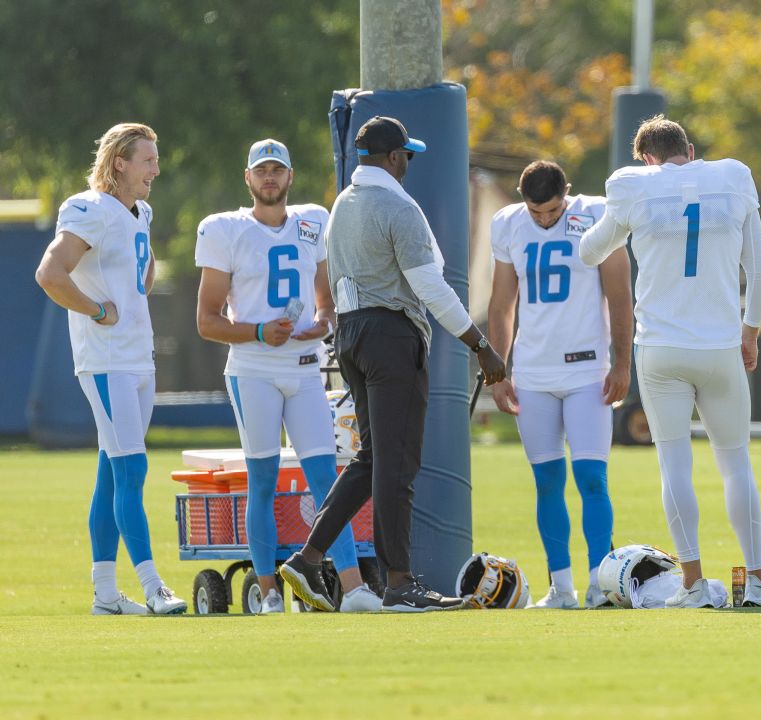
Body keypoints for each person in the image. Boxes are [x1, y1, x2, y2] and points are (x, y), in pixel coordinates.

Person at [277, 116, 506, 612]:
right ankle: (399, 582)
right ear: (394, 157)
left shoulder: (344, 203)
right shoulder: (400, 207)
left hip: (353, 334)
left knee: (373, 459)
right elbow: (430, 288)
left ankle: (308, 558)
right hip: (390, 334)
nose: (409, 164)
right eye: (407, 155)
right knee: (397, 464)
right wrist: (479, 345)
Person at [579, 115, 761, 608]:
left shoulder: (632, 186)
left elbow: (591, 252)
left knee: (674, 463)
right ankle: (759, 578)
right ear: (690, 151)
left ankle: (694, 584)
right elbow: (759, 273)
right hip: (720, 344)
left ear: (647, 159)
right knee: (736, 463)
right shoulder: (733, 176)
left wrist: (608, 223)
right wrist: (751, 334)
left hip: (661, 348)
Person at [194, 139, 382, 613]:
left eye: (278, 169)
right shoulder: (226, 230)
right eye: (262, 170)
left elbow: (325, 297)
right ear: (248, 178)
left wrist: (322, 321)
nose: (270, 178)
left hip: (303, 368)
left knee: (327, 476)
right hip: (254, 369)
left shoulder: (312, 221)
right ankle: (269, 591)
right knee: (263, 478)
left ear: (290, 176)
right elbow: (207, 320)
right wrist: (258, 330)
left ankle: (354, 586)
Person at [34, 122, 187, 615]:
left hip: (137, 356)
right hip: (106, 360)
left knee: (110, 472)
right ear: (119, 162)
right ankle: (152, 584)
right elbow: (49, 273)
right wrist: (97, 309)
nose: (155, 170)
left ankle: (104, 593)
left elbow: (139, 268)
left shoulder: (139, 211)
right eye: (147, 160)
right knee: (132, 469)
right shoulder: (89, 208)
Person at [487, 160, 633, 609]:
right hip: (533, 372)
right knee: (547, 481)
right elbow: (502, 305)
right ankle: (561, 587)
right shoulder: (510, 223)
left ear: (566, 192)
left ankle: (601, 583)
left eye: (552, 210)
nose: (545, 219)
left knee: (592, 477)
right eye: (537, 211)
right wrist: (498, 372)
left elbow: (620, 293)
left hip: (587, 368)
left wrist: (623, 363)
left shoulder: (596, 214)